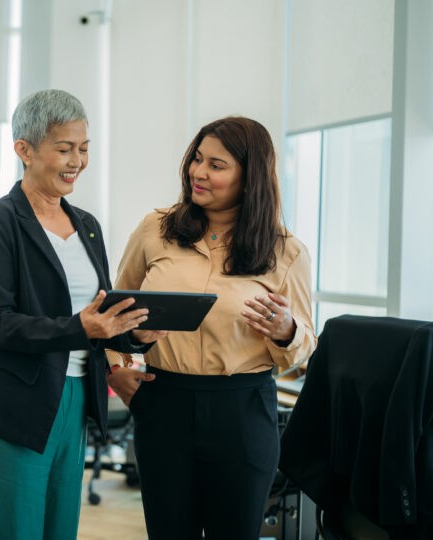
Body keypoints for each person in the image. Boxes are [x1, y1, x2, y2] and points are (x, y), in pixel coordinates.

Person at [0, 89, 164, 540]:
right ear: (24, 150)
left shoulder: (87, 224)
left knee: (58, 531)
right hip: (12, 407)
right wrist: (79, 328)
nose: (78, 160)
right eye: (65, 148)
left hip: (74, 402)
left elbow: (99, 316)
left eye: (85, 148)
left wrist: (136, 338)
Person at [107, 116, 317, 540]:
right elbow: (116, 310)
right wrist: (119, 366)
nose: (198, 172)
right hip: (163, 402)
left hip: (242, 411)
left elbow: (304, 346)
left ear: (249, 177)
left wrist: (286, 329)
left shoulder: (285, 251)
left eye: (216, 165)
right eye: (197, 159)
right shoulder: (155, 229)